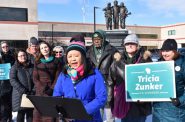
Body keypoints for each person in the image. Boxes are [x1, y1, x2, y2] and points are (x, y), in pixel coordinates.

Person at [53, 41, 107, 122]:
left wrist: (82, 111)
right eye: (70, 56)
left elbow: (101, 97)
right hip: (69, 119)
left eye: (76, 56)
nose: (73, 59)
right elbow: (57, 96)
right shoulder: (63, 74)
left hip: (90, 118)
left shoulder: (94, 73)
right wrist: (64, 113)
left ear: (83, 57)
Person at [108, 34, 152, 122]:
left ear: (137, 45)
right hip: (123, 100)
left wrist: (146, 98)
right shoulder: (117, 61)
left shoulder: (145, 60)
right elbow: (110, 82)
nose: (129, 45)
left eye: (132, 43)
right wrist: (110, 100)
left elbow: (151, 81)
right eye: (127, 44)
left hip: (140, 104)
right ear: (124, 46)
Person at [87, 29, 117, 122]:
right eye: (94, 39)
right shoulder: (89, 51)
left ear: (103, 39)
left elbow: (116, 68)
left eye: (98, 39)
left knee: (109, 114)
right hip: (94, 85)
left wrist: (112, 81)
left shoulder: (112, 50)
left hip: (108, 83)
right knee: (97, 112)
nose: (96, 41)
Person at [153, 39, 185, 121]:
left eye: (168, 51)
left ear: (175, 51)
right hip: (158, 113)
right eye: (163, 50)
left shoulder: (182, 64)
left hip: (175, 113)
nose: (164, 53)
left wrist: (180, 100)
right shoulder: (158, 65)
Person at [33, 41, 62, 122]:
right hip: (40, 92)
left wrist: (51, 89)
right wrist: (42, 88)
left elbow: (58, 77)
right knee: (38, 116)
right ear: (40, 51)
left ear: (49, 48)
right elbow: (35, 78)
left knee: (50, 116)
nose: (44, 49)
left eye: (45, 47)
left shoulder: (56, 61)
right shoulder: (37, 62)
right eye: (42, 48)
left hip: (52, 92)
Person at [10, 49, 35, 122]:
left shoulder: (32, 66)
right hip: (19, 95)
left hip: (30, 94)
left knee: (30, 115)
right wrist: (23, 90)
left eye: (24, 55)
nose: (23, 57)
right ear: (17, 57)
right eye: (20, 56)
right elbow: (12, 80)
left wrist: (33, 90)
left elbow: (35, 79)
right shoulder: (14, 67)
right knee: (20, 115)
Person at [0, 41, 15, 122]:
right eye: (3, 47)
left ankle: (10, 118)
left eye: (6, 46)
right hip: (2, 83)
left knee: (10, 103)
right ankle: (3, 119)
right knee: (3, 104)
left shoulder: (12, 56)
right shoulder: (0, 57)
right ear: (1, 48)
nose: (5, 48)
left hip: (10, 82)